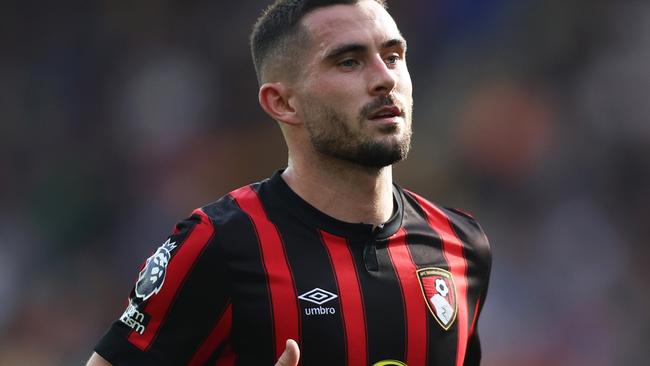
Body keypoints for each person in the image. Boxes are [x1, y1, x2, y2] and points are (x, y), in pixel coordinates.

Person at [87, 0, 491, 365]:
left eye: (394, 55)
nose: (385, 78)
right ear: (282, 102)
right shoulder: (219, 245)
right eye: (349, 62)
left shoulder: (461, 245)